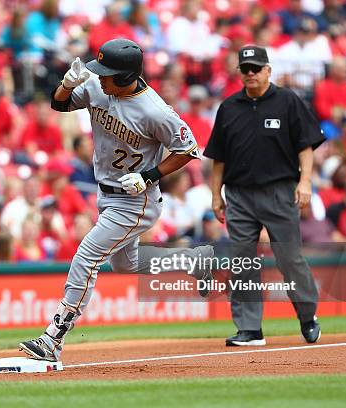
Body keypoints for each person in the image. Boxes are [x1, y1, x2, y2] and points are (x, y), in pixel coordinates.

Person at [19, 39, 213, 362]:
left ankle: (53, 338)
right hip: (106, 192)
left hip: (136, 200)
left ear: (126, 77)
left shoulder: (154, 110)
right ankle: (193, 261)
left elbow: (188, 149)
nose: (100, 77)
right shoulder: (98, 86)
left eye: (108, 73)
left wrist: (149, 175)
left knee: (87, 254)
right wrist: (66, 86)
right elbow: (59, 105)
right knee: (126, 265)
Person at [204, 45, 326, 346]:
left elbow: (305, 146)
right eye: (245, 69)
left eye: (256, 68)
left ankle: (307, 315)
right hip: (239, 194)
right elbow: (218, 157)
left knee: (289, 260)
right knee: (242, 261)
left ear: (268, 70)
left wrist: (305, 182)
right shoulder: (229, 107)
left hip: (279, 190)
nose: (250, 74)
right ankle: (249, 328)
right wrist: (216, 195)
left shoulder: (287, 101)